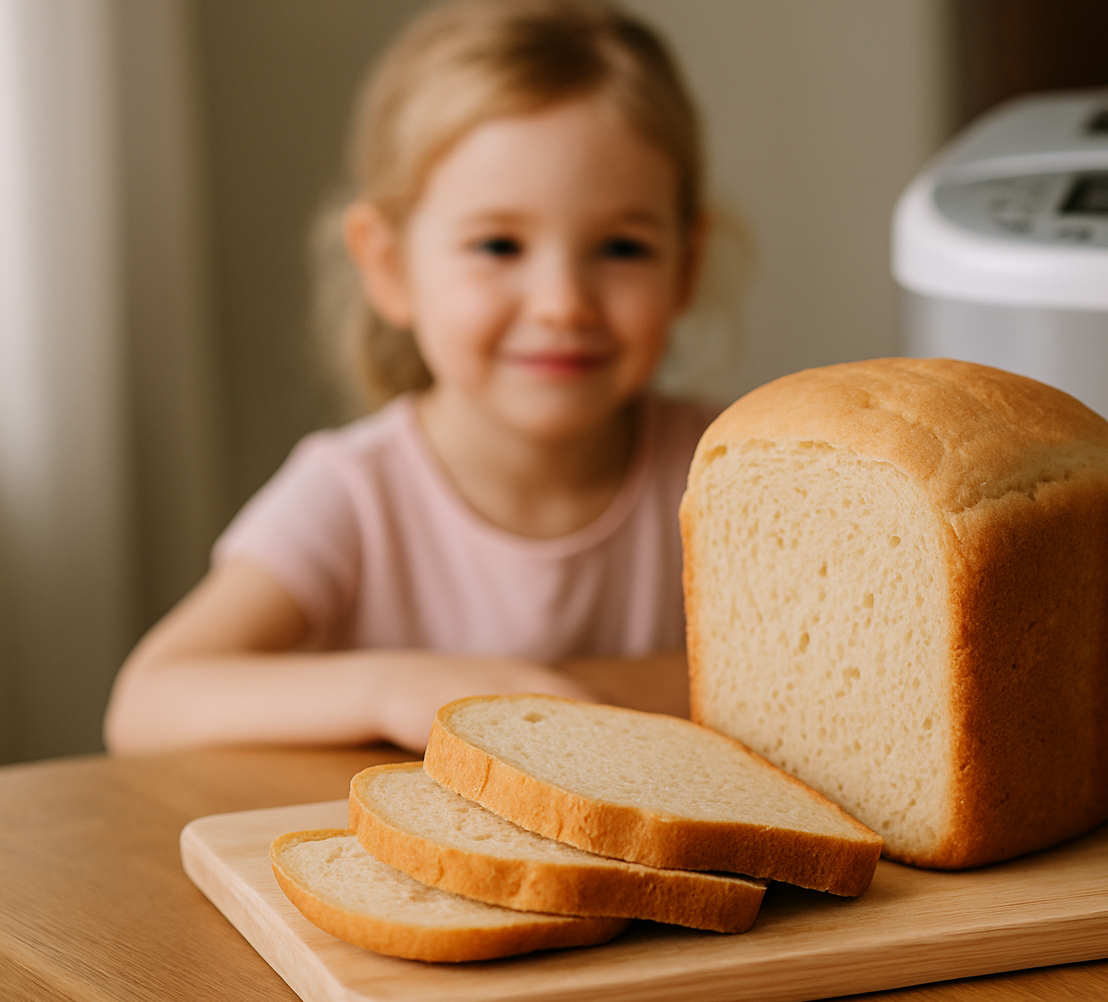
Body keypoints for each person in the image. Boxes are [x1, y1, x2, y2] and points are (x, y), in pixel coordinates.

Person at [104, 0, 714, 754]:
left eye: (621, 248)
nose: (563, 304)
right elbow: (146, 705)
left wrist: (537, 688)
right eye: (498, 245)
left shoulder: (722, 476)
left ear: (687, 264)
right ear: (389, 266)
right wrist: (392, 688)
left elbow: (805, 688)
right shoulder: (352, 492)